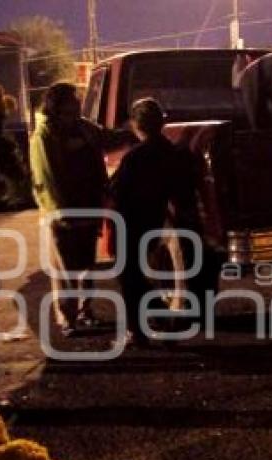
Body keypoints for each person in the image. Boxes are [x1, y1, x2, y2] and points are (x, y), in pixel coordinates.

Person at [110, 98, 200, 348]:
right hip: (154, 218)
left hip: (129, 220)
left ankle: (144, 325)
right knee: (134, 273)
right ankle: (152, 323)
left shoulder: (135, 157)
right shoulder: (173, 154)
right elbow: (183, 191)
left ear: (136, 125)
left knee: (129, 275)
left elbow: (117, 191)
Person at [29, 82, 110, 337]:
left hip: (88, 207)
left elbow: (107, 139)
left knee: (86, 263)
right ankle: (68, 317)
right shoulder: (44, 135)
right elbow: (45, 176)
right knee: (64, 268)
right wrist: (57, 210)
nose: (78, 103)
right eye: (73, 100)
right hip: (62, 212)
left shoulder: (84, 128)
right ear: (58, 104)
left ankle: (86, 311)